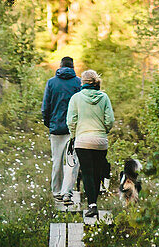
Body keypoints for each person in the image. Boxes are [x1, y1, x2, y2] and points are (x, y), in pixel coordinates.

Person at [66, 68, 114, 222]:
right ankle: (95, 201)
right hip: (100, 141)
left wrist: (74, 136)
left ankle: (92, 205)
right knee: (96, 172)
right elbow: (110, 121)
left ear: (82, 83)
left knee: (86, 173)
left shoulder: (76, 98)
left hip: (82, 140)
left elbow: (71, 121)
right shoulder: (104, 97)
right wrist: (103, 131)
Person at [41, 56, 81, 208]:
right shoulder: (78, 82)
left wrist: (49, 124)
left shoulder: (51, 82)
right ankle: (67, 193)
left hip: (56, 128)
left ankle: (57, 191)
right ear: (72, 66)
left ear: (60, 66)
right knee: (72, 163)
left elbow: (46, 107)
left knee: (57, 161)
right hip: (74, 129)